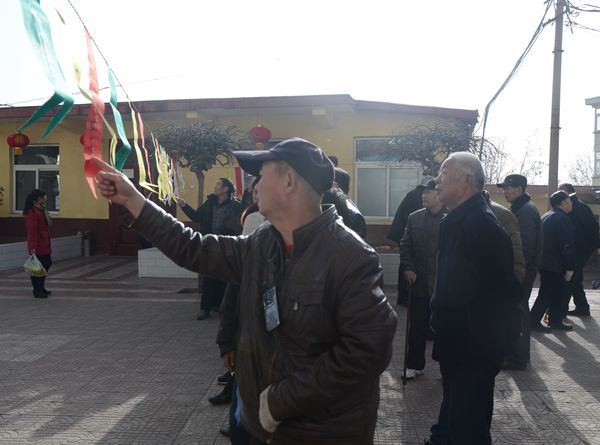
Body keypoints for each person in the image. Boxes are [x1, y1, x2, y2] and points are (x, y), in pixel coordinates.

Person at [94, 137, 398, 445]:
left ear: (289, 181)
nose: (254, 185)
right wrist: (133, 200)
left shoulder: (351, 256)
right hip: (261, 425)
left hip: (321, 433)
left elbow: (366, 352)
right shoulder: (262, 242)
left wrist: (279, 402)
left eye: (261, 176)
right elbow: (194, 248)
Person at [424, 153, 518, 445]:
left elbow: (495, 298)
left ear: (466, 180)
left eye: (444, 172)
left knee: (469, 427)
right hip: (457, 344)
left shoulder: (482, 226)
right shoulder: (457, 221)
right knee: (454, 417)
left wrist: (478, 351)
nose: (437, 180)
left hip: (473, 350)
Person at [399, 178, 446, 379]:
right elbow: (405, 244)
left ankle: (447, 367)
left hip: (444, 285)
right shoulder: (414, 217)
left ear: (439, 194)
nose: (424, 195)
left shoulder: (452, 218)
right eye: (423, 192)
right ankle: (414, 365)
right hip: (419, 283)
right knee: (417, 327)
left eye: (428, 191)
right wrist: (409, 267)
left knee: (444, 329)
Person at [176, 178, 243, 320]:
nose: (215, 186)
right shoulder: (210, 202)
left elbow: (239, 227)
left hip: (226, 245)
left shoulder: (236, 206)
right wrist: (184, 206)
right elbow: (196, 217)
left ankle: (219, 306)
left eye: (218, 184)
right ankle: (205, 308)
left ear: (226, 189)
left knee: (224, 277)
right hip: (209, 245)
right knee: (208, 276)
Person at [497, 174, 544, 365]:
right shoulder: (520, 208)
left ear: (520, 189)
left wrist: (518, 272)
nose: (505, 191)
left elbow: (524, 245)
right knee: (516, 311)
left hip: (522, 271)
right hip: (522, 269)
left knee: (519, 312)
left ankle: (518, 357)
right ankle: (514, 354)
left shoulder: (525, 211)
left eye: (508, 187)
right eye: (504, 188)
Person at [530, 190, 576, 331]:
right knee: (547, 293)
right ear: (563, 203)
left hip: (545, 262)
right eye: (569, 200)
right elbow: (566, 245)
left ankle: (555, 320)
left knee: (555, 293)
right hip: (556, 264)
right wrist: (570, 266)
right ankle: (533, 321)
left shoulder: (547, 216)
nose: (571, 203)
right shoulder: (562, 218)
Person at [558, 183, 600, 317]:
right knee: (575, 278)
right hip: (579, 248)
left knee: (570, 278)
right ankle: (582, 307)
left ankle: (560, 310)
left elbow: (591, 229)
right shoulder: (575, 206)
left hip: (581, 248)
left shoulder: (579, 207)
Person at [388, 183, 427, 306]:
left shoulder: (413, 194)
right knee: (407, 264)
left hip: (402, 232)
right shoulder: (418, 197)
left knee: (405, 264)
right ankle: (405, 297)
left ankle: (403, 297)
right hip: (405, 234)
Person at [482, 190, 526, 284]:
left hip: (491, 286)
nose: (504, 192)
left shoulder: (502, 215)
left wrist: (514, 286)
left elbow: (516, 256)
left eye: (507, 188)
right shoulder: (453, 212)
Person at [23, 189, 53, 299]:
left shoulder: (41, 210)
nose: (44, 199)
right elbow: (32, 231)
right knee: (37, 268)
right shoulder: (32, 212)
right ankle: (37, 290)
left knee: (46, 264)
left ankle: (41, 287)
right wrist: (32, 247)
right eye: (42, 197)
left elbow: (47, 225)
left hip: (44, 242)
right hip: (38, 244)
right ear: (37, 199)